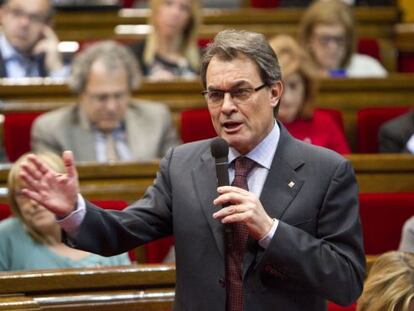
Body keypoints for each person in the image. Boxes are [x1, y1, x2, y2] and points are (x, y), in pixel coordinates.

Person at [20, 30, 365, 310]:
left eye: (241, 92)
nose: (227, 107)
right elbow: (123, 231)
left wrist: (271, 231)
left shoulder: (326, 171)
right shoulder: (182, 164)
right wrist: (74, 212)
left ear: (274, 92)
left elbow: (347, 282)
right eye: (215, 94)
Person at [31, 40, 179, 162]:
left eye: (119, 96)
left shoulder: (157, 119)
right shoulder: (52, 130)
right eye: (102, 97)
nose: (111, 107)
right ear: (82, 93)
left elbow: (178, 177)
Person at [0, 152, 130, 271]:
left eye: (43, 188)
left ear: (66, 188)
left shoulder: (104, 228)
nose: (34, 202)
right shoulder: (5, 236)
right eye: (24, 194)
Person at [269, 34, 350, 154]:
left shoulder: (325, 124)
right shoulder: (254, 126)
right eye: (277, 87)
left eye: (293, 86)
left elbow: (345, 170)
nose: (286, 98)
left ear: (306, 88)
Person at [298, 0, 387, 78]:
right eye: (325, 39)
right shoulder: (298, 72)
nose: (333, 46)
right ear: (309, 40)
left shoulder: (369, 70)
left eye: (339, 39)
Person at [128, 0, 201, 81]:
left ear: (190, 18)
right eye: (168, 3)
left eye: (183, 7)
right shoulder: (132, 55)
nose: (175, 13)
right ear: (155, 9)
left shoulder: (203, 60)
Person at [0, 0, 69, 78]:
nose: (24, 24)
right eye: (17, 13)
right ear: (2, 14)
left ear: (47, 24)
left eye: (35, 17)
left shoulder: (60, 59)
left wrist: (55, 68)